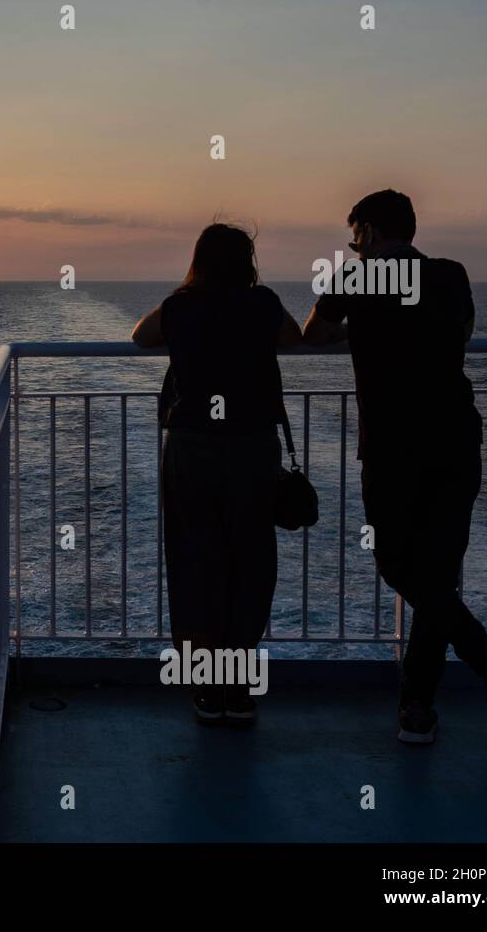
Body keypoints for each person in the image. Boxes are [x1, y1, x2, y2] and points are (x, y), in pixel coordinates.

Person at [302, 188, 487, 746]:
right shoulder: (452, 274)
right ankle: (418, 708)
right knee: (437, 573)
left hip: (394, 447)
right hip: (456, 439)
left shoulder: (355, 279)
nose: (352, 244)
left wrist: (361, 329)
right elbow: (462, 333)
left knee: (399, 566)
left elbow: (314, 335)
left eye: (354, 233)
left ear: (371, 232)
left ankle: (485, 668)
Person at [133, 223, 302, 724]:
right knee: (250, 564)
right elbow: (293, 339)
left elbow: (140, 336)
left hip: (193, 448)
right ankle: (239, 690)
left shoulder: (181, 306)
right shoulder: (263, 303)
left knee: (196, 563)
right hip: (252, 448)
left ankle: (209, 690)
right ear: (247, 261)